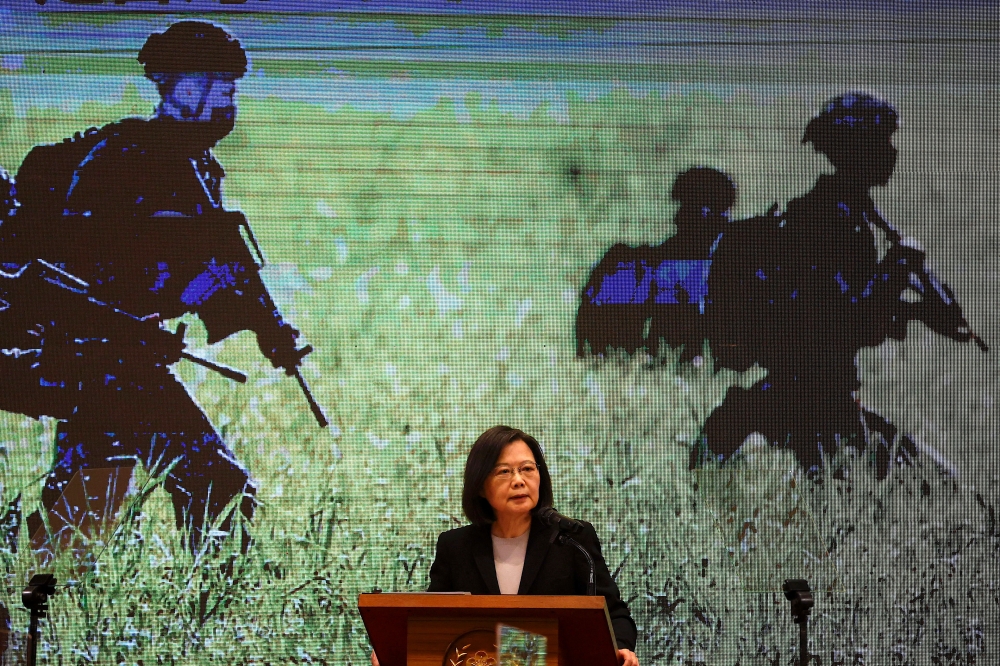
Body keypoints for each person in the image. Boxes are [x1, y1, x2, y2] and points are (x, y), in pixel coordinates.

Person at [3, 21, 306, 553]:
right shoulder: (122, 159)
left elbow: (218, 266)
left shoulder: (196, 167)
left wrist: (268, 329)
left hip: (126, 359)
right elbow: (71, 267)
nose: (230, 104)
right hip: (104, 361)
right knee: (216, 486)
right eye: (223, 89)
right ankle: (211, 613)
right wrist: (123, 325)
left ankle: (27, 584)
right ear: (186, 88)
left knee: (86, 510)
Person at [696, 93, 985, 477]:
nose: (891, 153)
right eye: (882, 141)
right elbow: (846, 319)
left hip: (822, 398)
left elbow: (839, 305)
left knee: (943, 485)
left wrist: (917, 309)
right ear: (857, 148)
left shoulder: (849, 214)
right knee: (936, 489)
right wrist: (897, 270)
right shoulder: (827, 219)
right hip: (806, 402)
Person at [371, 425, 639, 666]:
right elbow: (430, 621)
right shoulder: (456, 547)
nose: (519, 480)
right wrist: (394, 650)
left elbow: (614, 614)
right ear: (480, 486)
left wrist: (621, 648)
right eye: (504, 471)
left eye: (527, 469)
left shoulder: (571, 539)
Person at [575, 167, 734, 361]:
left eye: (687, 209)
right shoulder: (654, 261)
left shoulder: (729, 261)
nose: (677, 218)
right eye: (683, 209)